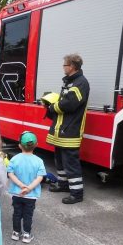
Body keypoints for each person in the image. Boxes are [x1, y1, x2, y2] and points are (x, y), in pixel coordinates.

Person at [45, 54, 90, 204]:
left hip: (70, 130)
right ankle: (63, 185)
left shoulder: (80, 83)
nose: (63, 67)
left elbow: (70, 104)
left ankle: (77, 194)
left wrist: (52, 106)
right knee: (60, 160)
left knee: (71, 163)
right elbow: (65, 100)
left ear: (71, 66)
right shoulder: (71, 82)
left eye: (64, 65)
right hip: (62, 129)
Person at [8, 131, 46, 243]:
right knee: (28, 215)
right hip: (31, 195)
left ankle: (15, 232)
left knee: (17, 213)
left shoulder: (14, 159)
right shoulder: (39, 161)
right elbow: (40, 177)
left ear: (19, 145)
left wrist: (20, 185)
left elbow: (10, 173)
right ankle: (26, 235)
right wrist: (29, 188)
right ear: (36, 144)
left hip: (17, 193)